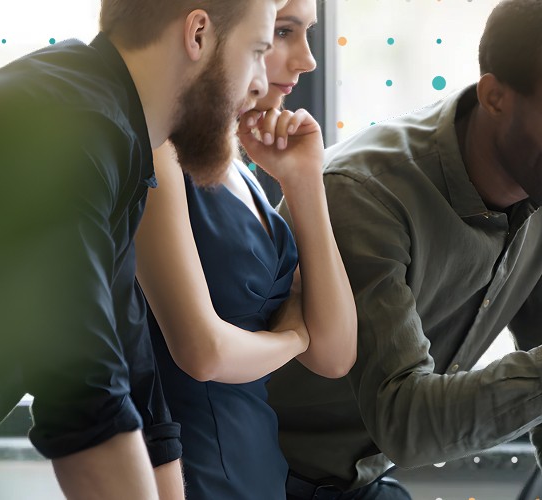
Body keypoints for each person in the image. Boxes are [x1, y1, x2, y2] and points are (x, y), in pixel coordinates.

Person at [0, 0, 284, 498]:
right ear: (198, 34)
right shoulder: (73, 130)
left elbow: (133, 379)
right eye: (258, 50)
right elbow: (84, 403)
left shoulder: (110, 132)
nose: (261, 83)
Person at [267, 0, 542, 498]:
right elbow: (407, 423)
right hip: (260, 476)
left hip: (364, 480)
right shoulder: (366, 194)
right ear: (495, 96)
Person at [135, 0, 357, 497]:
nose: (307, 60)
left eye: (308, 34)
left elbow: (335, 353)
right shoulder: (159, 148)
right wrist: (292, 339)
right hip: (191, 475)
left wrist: (303, 183)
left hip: (257, 469)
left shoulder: (235, 161)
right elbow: (203, 352)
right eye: (281, 32)